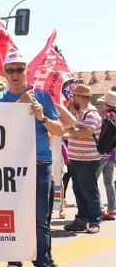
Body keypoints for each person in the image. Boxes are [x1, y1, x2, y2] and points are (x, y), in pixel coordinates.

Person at [0, 52, 63, 267]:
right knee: (12, 219)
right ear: (5, 73)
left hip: (40, 163)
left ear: (26, 71)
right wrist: (18, 106)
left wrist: (41, 116)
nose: (14, 75)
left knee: (40, 220)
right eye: (10, 70)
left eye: (19, 69)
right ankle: (14, 266)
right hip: (11, 166)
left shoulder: (42, 96)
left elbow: (59, 129)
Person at [59, 85, 103, 233]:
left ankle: (94, 221)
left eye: (72, 96)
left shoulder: (91, 114)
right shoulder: (80, 114)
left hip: (87, 160)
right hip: (77, 159)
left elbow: (85, 133)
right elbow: (73, 134)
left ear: (78, 97)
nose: (71, 99)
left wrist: (68, 128)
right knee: (78, 189)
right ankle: (82, 219)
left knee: (89, 190)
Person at [96, 91, 116, 221]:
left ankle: (100, 209)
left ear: (107, 103)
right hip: (113, 154)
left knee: (93, 181)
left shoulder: (103, 116)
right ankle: (112, 209)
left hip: (101, 153)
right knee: (109, 182)